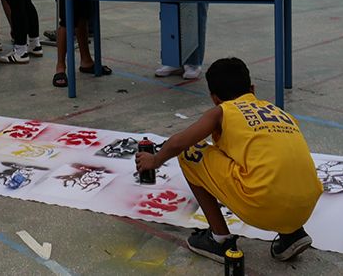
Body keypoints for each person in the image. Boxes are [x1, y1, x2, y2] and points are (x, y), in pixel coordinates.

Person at [135, 57, 321, 264]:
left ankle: (219, 239)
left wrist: (154, 161)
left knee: (190, 152)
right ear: (252, 88)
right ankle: (292, 234)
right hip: (306, 206)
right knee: (272, 166)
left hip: (261, 205)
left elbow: (179, 143)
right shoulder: (277, 111)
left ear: (214, 98)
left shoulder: (223, 111)